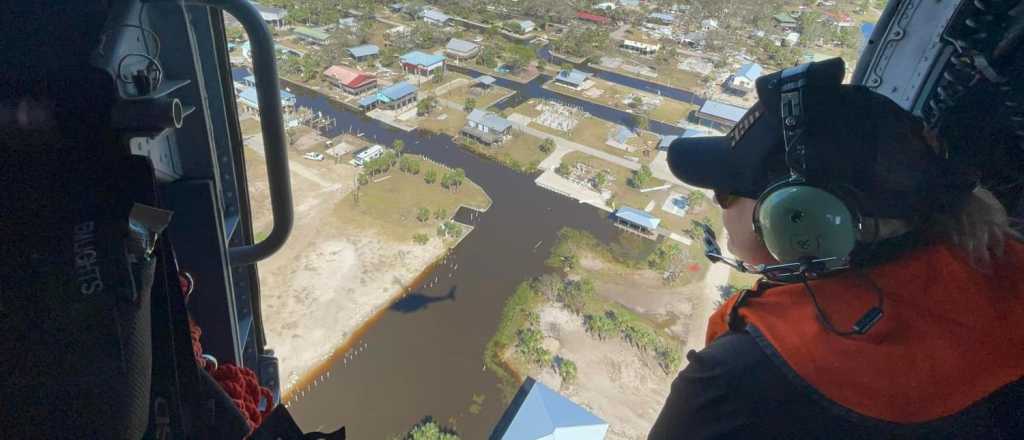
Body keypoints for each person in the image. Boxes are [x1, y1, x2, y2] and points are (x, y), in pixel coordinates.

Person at [649, 59, 1024, 439]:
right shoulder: (994, 270)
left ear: (799, 217)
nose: (719, 204)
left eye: (725, 192)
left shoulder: (733, 381)